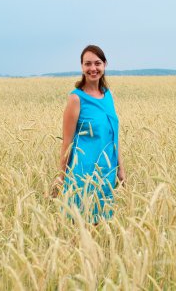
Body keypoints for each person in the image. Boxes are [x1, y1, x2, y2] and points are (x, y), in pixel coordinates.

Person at [52, 45, 125, 223]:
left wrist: (120, 169)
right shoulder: (76, 99)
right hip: (83, 176)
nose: (93, 68)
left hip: (106, 174)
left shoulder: (108, 95)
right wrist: (61, 176)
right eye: (88, 64)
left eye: (97, 63)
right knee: (80, 231)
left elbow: (113, 136)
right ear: (82, 67)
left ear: (105, 65)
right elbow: (67, 142)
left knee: (101, 231)